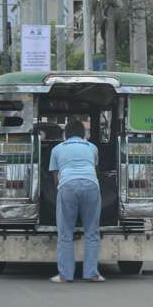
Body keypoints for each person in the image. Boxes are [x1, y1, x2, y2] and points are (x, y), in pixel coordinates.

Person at [48, 119, 102, 283]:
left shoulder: (57, 149)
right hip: (91, 185)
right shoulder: (92, 147)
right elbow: (94, 168)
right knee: (92, 232)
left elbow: (56, 179)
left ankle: (65, 275)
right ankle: (91, 273)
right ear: (83, 134)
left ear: (65, 134)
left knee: (65, 233)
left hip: (68, 186)